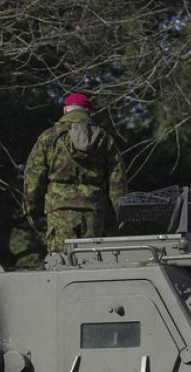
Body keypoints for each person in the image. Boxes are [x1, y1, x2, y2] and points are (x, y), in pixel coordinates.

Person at [23, 92, 127, 253]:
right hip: (93, 211)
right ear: (88, 112)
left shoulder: (49, 137)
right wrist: (117, 217)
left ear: (65, 111)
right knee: (92, 262)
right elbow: (117, 180)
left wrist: (32, 211)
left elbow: (33, 177)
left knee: (61, 264)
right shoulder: (105, 140)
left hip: (59, 211)